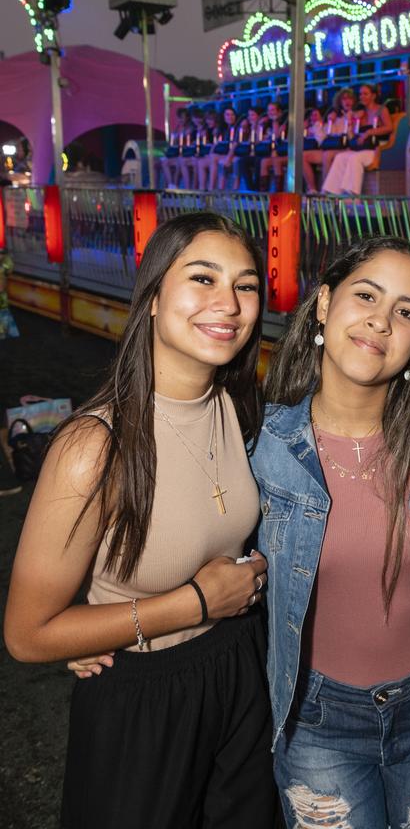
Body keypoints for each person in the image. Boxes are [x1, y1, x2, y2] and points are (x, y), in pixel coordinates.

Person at [4, 211, 277, 829]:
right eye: (203, 279)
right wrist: (189, 605)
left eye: (246, 284)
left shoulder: (240, 410)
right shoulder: (92, 448)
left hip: (238, 675)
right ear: (152, 297)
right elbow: (27, 635)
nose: (228, 304)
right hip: (142, 698)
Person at [252, 236, 410, 827]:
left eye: (405, 312)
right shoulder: (260, 447)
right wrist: (128, 623)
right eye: (367, 295)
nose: (381, 322)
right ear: (325, 303)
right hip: (317, 721)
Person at [322, 84, 393, 196]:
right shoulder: (360, 112)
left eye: (365, 94)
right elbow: (354, 135)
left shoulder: (381, 109)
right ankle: (331, 193)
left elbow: (389, 127)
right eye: (360, 94)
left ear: (373, 96)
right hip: (361, 148)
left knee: (354, 158)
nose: (362, 96)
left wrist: (369, 133)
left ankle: (352, 196)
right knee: (341, 157)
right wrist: (351, 121)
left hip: (375, 149)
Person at [257, 101, 287, 192]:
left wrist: (275, 122)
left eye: (273, 110)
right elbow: (258, 140)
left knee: (276, 160)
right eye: (268, 110)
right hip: (272, 152)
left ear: (279, 112)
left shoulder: (285, 122)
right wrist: (259, 125)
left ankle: (278, 192)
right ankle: (263, 193)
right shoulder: (266, 123)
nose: (270, 112)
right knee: (264, 162)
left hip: (285, 152)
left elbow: (277, 136)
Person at [302, 106, 326, 193]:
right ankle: (311, 189)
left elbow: (321, 141)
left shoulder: (323, 126)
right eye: (312, 115)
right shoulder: (310, 128)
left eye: (316, 115)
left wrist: (317, 127)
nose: (313, 117)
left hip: (323, 151)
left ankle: (315, 189)